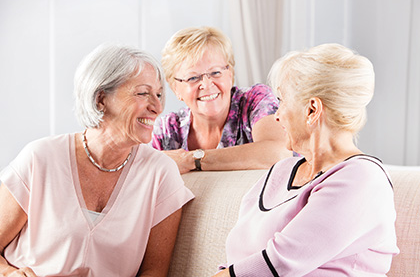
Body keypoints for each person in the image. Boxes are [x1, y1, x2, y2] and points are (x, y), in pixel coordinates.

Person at [0, 44, 194, 277]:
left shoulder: (161, 173)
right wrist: (9, 274)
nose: (158, 107)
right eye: (143, 93)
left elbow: (154, 272)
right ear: (101, 98)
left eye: (159, 94)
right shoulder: (40, 158)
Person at [213, 43, 399, 277]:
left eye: (282, 101)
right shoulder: (280, 172)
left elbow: (279, 262)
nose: (277, 115)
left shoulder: (362, 179)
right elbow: (237, 259)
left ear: (312, 110)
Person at [151, 26, 291, 173]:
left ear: (230, 73)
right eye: (193, 78)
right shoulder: (168, 130)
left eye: (215, 72)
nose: (206, 84)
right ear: (175, 88)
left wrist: (191, 160)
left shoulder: (255, 101)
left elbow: (279, 152)